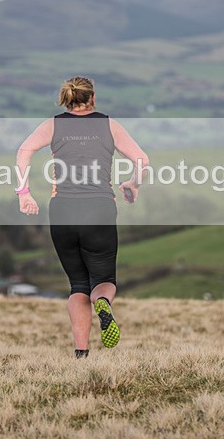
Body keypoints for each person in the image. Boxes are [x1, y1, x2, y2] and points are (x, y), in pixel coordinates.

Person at [15, 76, 149, 358]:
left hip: (62, 209)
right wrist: (132, 184)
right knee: (103, 280)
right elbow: (142, 160)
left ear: (67, 99)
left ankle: (81, 354)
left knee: (77, 284)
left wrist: (24, 194)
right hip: (99, 208)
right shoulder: (109, 125)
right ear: (93, 98)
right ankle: (102, 301)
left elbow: (24, 151)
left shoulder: (53, 125)